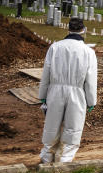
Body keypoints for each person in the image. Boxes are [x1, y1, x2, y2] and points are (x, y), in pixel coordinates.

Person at [37, 17, 97, 163]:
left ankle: (46, 158)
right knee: (73, 128)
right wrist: (91, 101)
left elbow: (46, 73)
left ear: (68, 29)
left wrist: (43, 95)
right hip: (77, 93)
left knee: (51, 125)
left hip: (55, 91)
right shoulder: (88, 52)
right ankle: (65, 160)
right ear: (83, 30)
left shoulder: (55, 47)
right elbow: (90, 80)